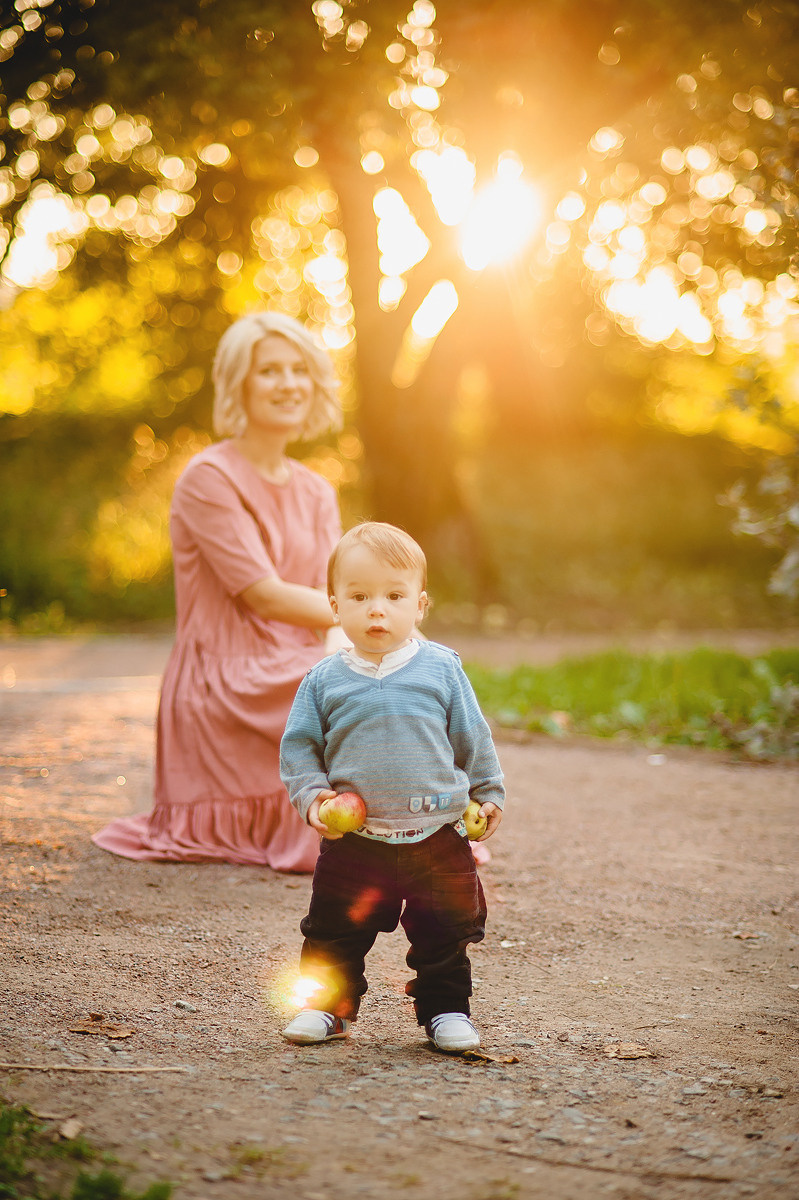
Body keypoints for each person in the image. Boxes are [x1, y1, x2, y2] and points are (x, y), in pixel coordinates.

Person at [92, 312, 344, 872]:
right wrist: (375, 620)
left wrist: (383, 635)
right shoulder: (209, 478)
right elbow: (268, 597)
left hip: (296, 661)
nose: (288, 383)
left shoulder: (317, 491)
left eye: (299, 369)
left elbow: (331, 594)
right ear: (239, 384)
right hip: (225, 678)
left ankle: (406, 823)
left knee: (398, 682)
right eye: (269, 371)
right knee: (349, 695)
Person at [279, 522, 505, 1053]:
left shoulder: (442, 669)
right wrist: (313, 797)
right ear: (334, 606)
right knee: (333, 933)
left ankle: (446, 1011)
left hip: (437, 835)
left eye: (394, 596)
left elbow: (471, 735)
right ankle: (324, 1008)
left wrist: (489, 791)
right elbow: (299, 748)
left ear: (420, 605)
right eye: (359, 596)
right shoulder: (323, 680)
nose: (377, 609)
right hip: (356, 839)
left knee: (444, 934)